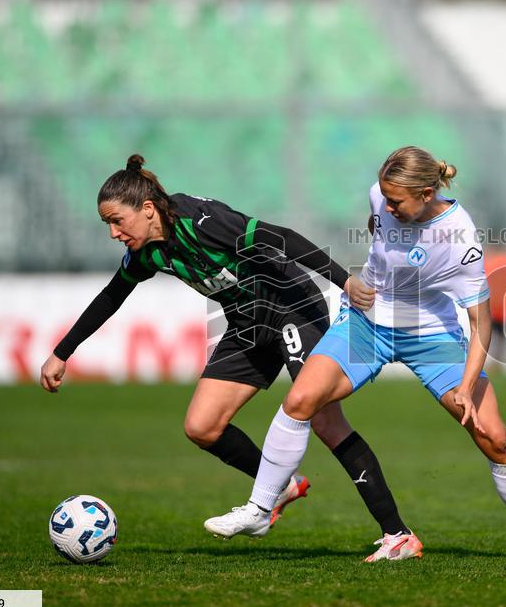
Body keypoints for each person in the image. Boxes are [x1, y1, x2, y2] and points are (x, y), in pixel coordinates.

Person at [203, 146, 506, 563]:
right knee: (301, 399)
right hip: (366, 324)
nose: (388, 206)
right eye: (385, 198)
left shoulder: (461, 238)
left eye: (397, 201)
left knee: (495, 438)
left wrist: (467, 387)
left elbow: (480, 321)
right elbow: (378, 228)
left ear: (427, 193)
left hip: (431, 335)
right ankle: (259, 509)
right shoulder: (379, 196)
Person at [39, 154, 418, 548]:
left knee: (325, 420)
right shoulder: (147, 253)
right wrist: (62, 352)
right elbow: (112, 295)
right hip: (246, 326)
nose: (113, 233)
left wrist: (344, 282)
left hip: (291, 306)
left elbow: (283, 238)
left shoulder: (201, 222)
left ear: (147, 208)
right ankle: (280, 486)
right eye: (107, 224)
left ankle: (398, 534)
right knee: (201, 426)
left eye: (117, 221)